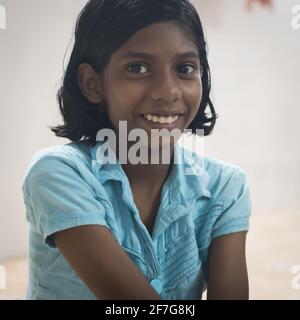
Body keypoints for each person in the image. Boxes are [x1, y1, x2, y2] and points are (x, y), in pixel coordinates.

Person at [22, 0, 252, 300]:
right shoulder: (57, 174)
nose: (168, 91)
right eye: (138, 68)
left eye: (185, 68)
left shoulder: (226, 187)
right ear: (92, 84)